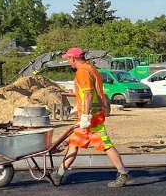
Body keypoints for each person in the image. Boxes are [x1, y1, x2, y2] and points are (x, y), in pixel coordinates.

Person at [50, 48, 130, 187]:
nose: (68, 62)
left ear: (74, 59)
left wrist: (86, 116)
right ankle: (59, 174)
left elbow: (87, 94)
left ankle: (122, 173)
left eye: (68, 59)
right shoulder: (91, 69)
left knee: (105, 144)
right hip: (91, 114)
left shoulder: (82, 72)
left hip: (92, 118)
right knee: (74, 143)